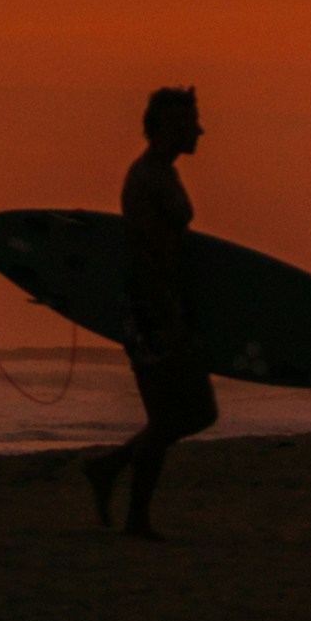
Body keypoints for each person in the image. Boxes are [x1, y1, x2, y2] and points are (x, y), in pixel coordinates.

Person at [83, 85, 215, 538]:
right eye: (189, 121)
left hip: (170, 305)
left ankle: (109, 467)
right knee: (170, 417)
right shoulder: (144, 179)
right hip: (150, 307)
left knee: (200, 412)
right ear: (166, 126)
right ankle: (136, 517)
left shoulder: (167, 174)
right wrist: (169, 315)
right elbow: (142, 254)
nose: (199, 129)